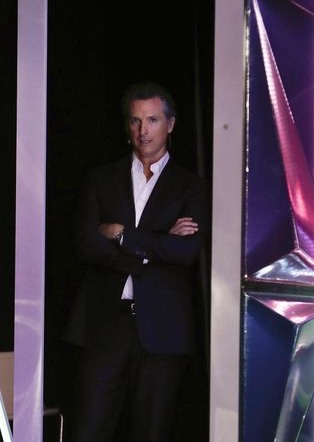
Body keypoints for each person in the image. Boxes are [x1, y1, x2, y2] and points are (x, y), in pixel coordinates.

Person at [64, 81, 208, 441]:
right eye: (135, 121)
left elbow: (186, 252)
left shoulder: (192, 187)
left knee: (151, 433)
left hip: (163, 329)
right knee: (88, 430)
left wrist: (124, 235)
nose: (143, 131)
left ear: (171, 124)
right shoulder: (101, 178)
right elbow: (86, 245)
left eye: (153, 120)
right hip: (105, 325)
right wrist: (153, 252)